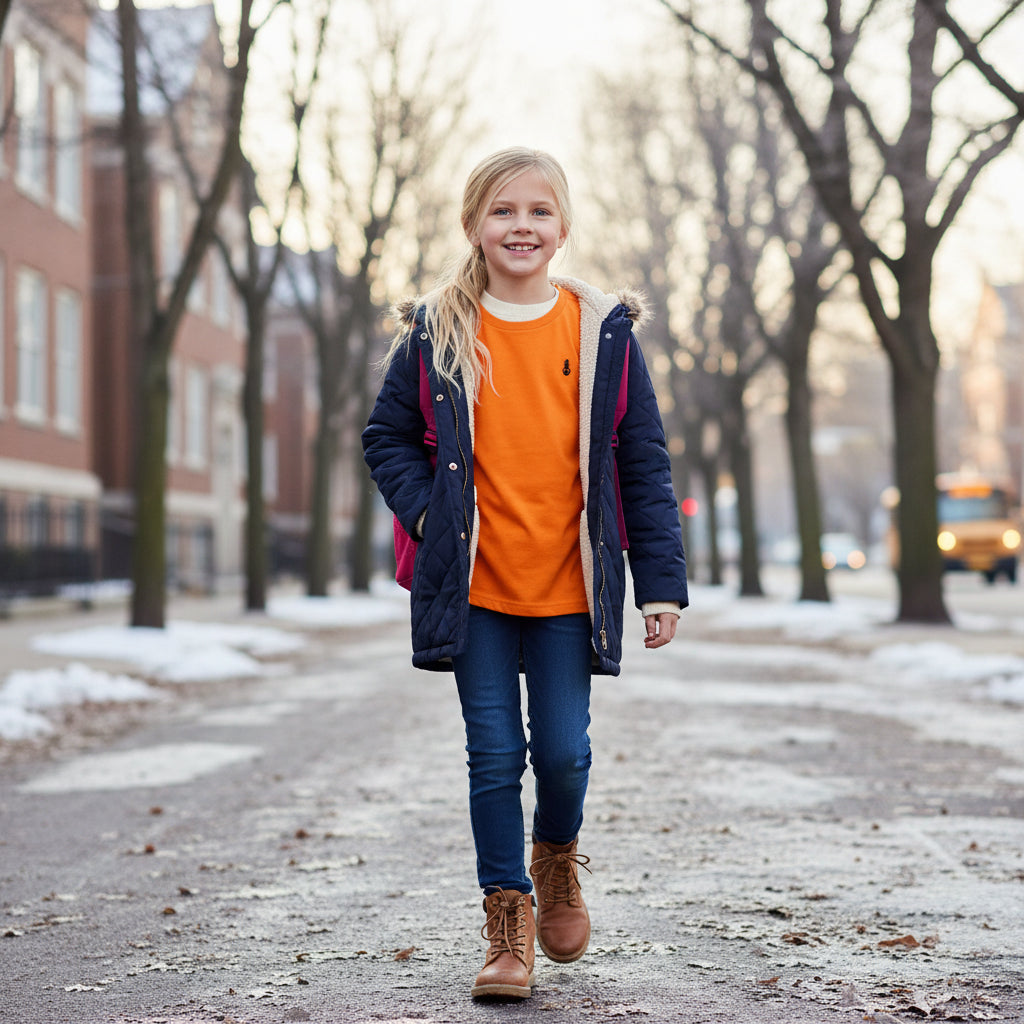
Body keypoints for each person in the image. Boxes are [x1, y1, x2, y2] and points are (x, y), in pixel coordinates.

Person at [362, 147, 687, 1000]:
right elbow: (385, 437)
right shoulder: (436, 329)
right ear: (473, 225)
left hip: (570, 588)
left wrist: (659, 583)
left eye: (539, 211)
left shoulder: (602, 333)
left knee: (566, 754)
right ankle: (507, 922)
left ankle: (555, 859)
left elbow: (642, 463)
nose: (521, 226)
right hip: (472, 587)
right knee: (495, 754)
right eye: (503, 211)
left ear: (563, 227)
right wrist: (429, 515)